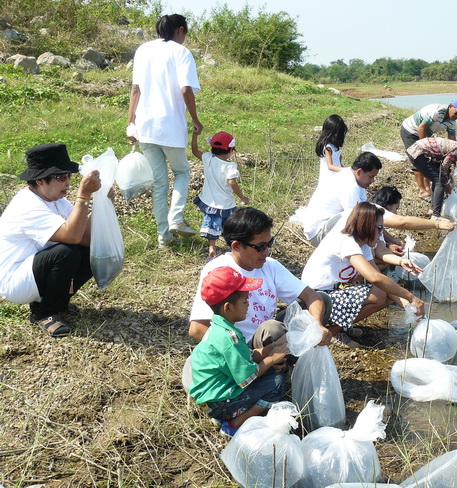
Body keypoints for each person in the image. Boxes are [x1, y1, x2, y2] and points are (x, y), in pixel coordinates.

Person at [188, 207, 332, 348]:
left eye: (269, 244)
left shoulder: (270, 266)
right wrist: (241, 355)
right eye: (261, 246)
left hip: (269, 337)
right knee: (273, 329)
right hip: (242, 344)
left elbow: (310, 295)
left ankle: (286, 356)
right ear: (236, 246)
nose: (267, 252)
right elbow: (197, 329)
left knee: (322, 299)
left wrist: (316, 325)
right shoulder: (218, 272)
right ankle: (270, 363)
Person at [0, 143, 101, 337]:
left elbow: (87, 239)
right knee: (66, 253)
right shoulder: (27, 205)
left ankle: (56, 304)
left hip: (32, 270)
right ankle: (44, 313)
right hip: (14, 280)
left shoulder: (56, 200)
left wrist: (101, 203)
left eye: (69, 176)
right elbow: (72, 236)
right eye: (60, 177)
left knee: (89, 253)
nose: (67, 182)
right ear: (39, 181)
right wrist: (84, 196)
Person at [301, 202, 425, 348]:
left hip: (332, 293)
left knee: (385, 294)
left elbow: (380, 279)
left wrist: (409, 306)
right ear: (367, 225)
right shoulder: (347, 241)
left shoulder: (364, 245)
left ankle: (336, 327)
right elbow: (375, 278)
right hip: (316, 299)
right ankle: (331, 331)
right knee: (379, 293)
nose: (381, 234)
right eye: (379, 228)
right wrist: (411, 297)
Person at [127, 14, 203, 247]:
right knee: (181, 172)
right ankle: (176, 219)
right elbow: (185, 89)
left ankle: (164, 238)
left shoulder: (143, 50)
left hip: (145, 127)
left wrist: (131, 122)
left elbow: (135, 89)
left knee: (159, 182)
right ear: (180, 30)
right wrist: (196, 120)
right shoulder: (181, 52)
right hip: (169, 126)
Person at [188, 266, 290, 438]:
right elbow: (246, 378)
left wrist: (270, 349)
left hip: (214, 396)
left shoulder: (221, 328)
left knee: (269, 371)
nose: (248, 304)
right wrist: (272, 359)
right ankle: (235, 422)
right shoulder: (229, 339)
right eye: (245, 301)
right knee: (277, 382)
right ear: (228, 307)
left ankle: (225, 415)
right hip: (218, 402)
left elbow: (247, 358)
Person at [298, 151, 381, 246]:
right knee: (357, 219)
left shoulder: (355, 180)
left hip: (326, 225)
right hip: (317, 233)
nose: (373, 181)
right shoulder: (349, 185)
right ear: (359, 172)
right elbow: (357, 218)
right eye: (371, 177)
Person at [191, 130, 249, 259]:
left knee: (212, 225)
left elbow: (194, 151)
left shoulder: (208, 159)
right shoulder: (230, 166)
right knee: (230, 226)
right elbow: (232, 182)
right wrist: (242, 197)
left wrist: (194, 135)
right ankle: (234, 249)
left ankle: (212, 248)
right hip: (225, 204)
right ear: (230, 150)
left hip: (210, 202)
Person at [400, 99, 457, 200]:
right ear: (450, 106)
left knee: (429, 161)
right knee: (418, 159)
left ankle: (428, 188)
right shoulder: (437, 112)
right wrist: (426, 148)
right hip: (410, 131)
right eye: (456, 113)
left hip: (424, 134)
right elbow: (421, 129)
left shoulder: (452, 122)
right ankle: (422, 191)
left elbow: (453, 143)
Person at [407, 137, 457, 218]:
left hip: (416, 150)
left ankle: (433, 209)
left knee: (437, 179)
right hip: (418, 153)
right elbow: (443, 167)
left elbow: (445, 165)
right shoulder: (456, 151)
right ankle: (436, 215)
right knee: (440, 182)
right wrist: (447, 184)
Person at [315, 114, 348, 185]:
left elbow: (338, 162)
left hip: (336, 177)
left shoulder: (334, 147)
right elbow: (330, 166)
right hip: (329, 179)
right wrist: (346, 170)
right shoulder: (328, 148)